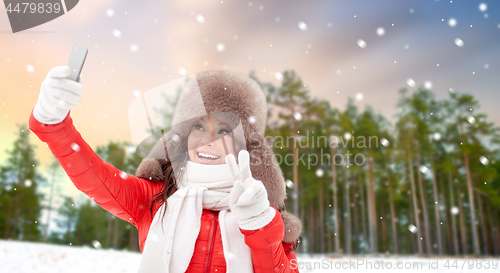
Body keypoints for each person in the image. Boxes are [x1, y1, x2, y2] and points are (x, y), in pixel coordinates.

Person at [29, 65, 302, 272]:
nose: (208, 139)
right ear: (183, 135)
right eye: (198, 126)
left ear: (244, 145)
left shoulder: (267, 218)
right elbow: (95, 177)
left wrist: (258, 224)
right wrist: (53, 122)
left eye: (223, 130)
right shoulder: (156, 199)